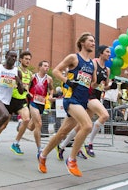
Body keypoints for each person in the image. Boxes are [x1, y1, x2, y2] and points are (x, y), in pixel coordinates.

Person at [37, 32, 97, 177]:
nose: (93, 43)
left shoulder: (92, 64)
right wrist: (67, 81)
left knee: (62, 133)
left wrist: (99, 83)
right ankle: (71, 160)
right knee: (88, 125)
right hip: (71, 99)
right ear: (82, 43)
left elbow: (93, 82)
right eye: (90, 41)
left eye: (94, 41)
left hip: (82, 101)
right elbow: (56, 70)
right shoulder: (73, 58)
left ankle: (43, 156)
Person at [56, 45, 112, 159]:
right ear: (101, 53)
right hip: (89, 96)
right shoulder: (93, 63)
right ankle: (89, 143)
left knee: (80, 127)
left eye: (110, 52)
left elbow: (104, 86)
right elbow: (89, 82)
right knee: (105, 115)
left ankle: (62, 146)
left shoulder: (107, 69)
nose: (109, 54)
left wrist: (111, 86)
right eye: (107, 52)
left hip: (97, 95)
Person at [26, 60, 54, 153]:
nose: (47, 67)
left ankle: (23, 124)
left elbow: (51, 89)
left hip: (42, 103)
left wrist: (50, 95)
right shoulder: (33, 77)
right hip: (33, 102)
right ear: (40, 67)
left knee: (31, 127)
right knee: (39, 124)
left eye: (48, 66)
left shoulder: (49, 79)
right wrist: (28, 93)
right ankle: (39, 148)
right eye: (45, 66)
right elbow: (27, 87)